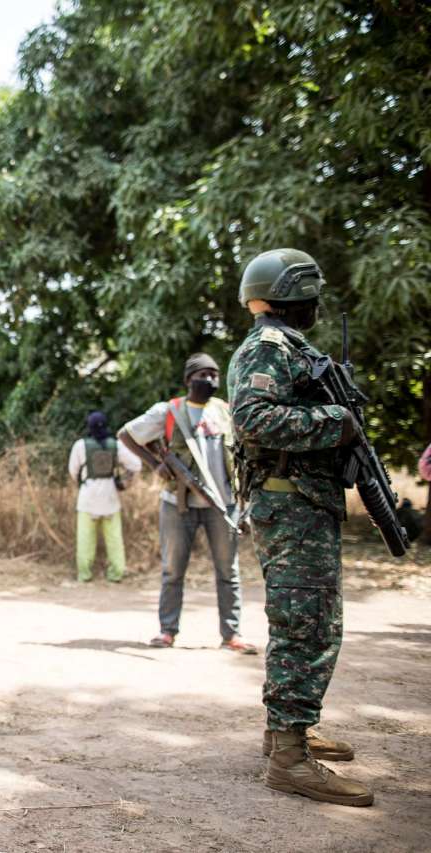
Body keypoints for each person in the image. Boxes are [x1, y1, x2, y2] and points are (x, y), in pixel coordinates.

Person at [229, 247, 372, 806]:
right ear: (296, 296)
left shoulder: (289, 347)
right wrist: (336, 422)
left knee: (307, 619)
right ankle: (289, 757)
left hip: (299, 503)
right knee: (307, 624)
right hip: (290, 506)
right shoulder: (268, 348)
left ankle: (286, 731)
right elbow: (254, 420)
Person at [120, 354, 258, 653]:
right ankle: (167, 631)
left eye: (214, 374)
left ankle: (232, 634)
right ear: (188, 379)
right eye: (203, 374)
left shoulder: (225, 411)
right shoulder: (168, 411)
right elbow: (126, 435)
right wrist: (155, 463)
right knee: (173, 570)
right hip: (177, 503)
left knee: (228, 571)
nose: (209, 380)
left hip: (223, 504)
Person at [68, 411, 142, 582]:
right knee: (114, 539)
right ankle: (116, 573)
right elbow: (136, 465)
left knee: (85, 539)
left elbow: (73, 471)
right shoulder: (115, 445)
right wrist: (125, 481)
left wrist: (81, 481)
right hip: (110, 496)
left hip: (88, 496)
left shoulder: (80, 445)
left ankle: (85, 574)